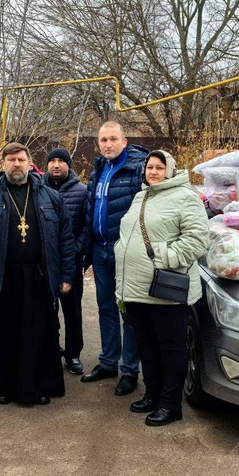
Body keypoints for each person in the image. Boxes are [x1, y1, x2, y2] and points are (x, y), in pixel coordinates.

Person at [0, 142, 75, 405]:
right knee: (3, 335)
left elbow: (65, 240)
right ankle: (3, 387)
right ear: (3, 165)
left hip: (38, 278)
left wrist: (66, 276)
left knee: (38, 335)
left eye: (21, 159)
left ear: (29, 162)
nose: (16, 164)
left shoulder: (50, 196)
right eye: (11, 160)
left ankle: (39, 386)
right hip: (0, 279)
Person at [115, 150, 209, 426]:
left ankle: (171, 404)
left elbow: (198, 239)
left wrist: (163, 257)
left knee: (171, 348)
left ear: (170, 170)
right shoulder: (140, 196)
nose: (152, 172)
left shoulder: (185, 197)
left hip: (165, 287)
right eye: (149, 167)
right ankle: (152, 395)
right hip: (136, 288)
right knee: (147, 346)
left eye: (158, 168)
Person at [82, 121, 148, 396]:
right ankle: (108, 362)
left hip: (126, 252)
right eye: (102, 140)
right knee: (105, 307)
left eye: (112, 139)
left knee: (128, 311)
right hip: (101, 250)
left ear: (124, 141)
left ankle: (129, 370)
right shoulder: (99, 170)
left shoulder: (138, 169)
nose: (107, 144)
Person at [43, 147, 88, 375]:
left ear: (69, 165)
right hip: (44, 263)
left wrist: (74, 250)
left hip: (71, 261)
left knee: (72, 311)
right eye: (52, 161)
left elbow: (86, 227)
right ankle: (52, 348)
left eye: (61, 161)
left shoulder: (81, 191)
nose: (56, 165)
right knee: (47, 310)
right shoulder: (38, 190)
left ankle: (73, 354)